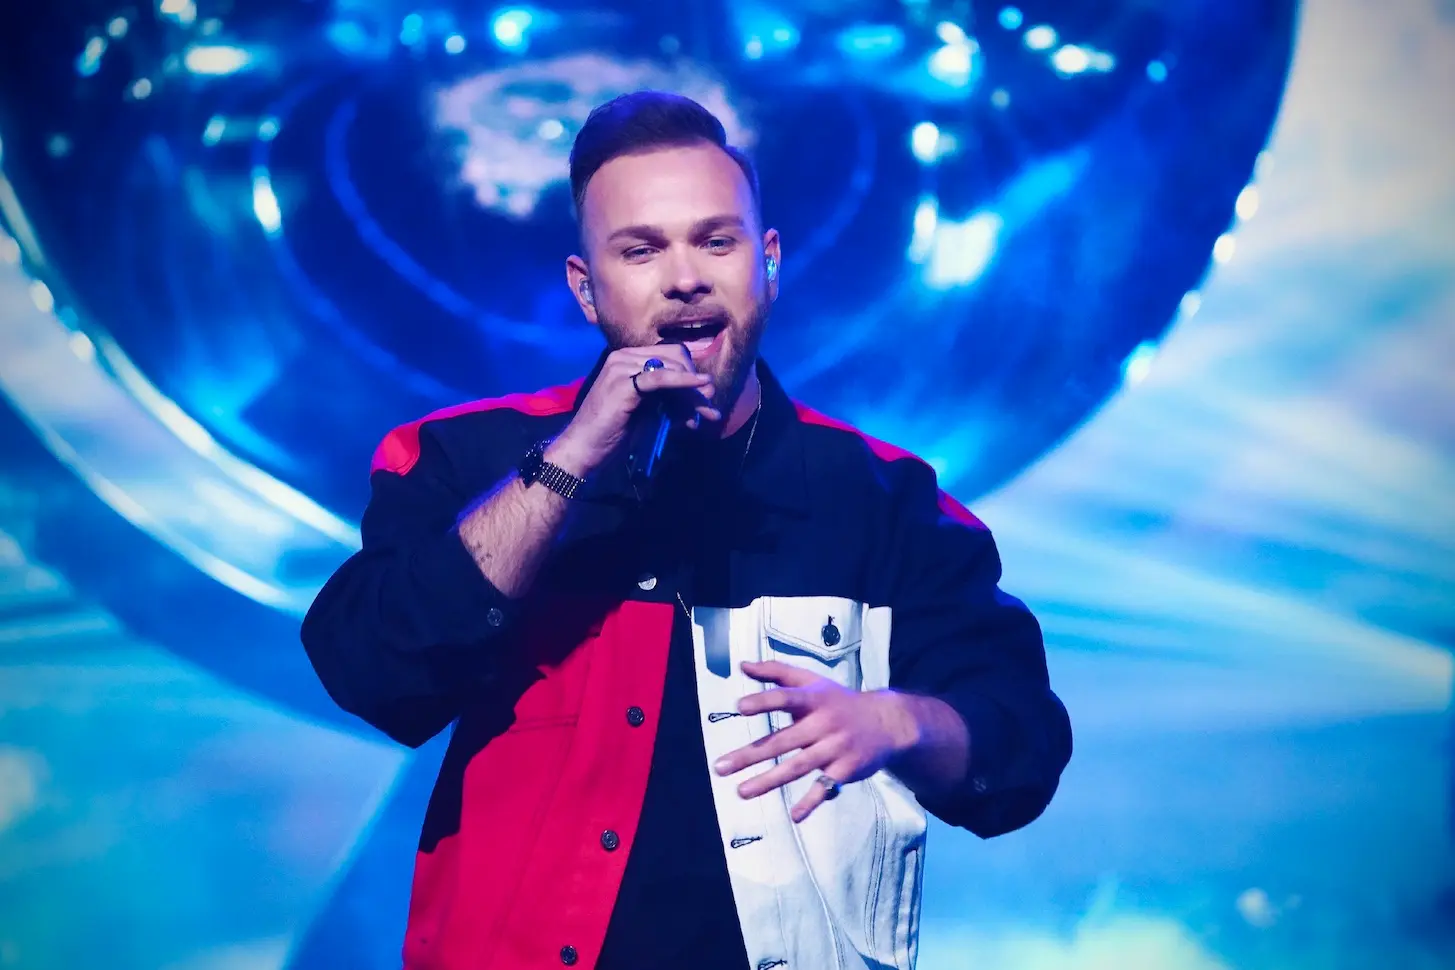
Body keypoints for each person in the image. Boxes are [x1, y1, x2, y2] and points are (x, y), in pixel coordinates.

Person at [302, 90, 1072, 970]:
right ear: (585, 289)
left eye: (715, 241)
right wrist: (573, 455)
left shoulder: (883, 498)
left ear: (766, 263)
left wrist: (898, 723)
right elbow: (373, 673)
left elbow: (1021, 748)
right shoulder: (461, 457)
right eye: (641, 250)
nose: (684, 278)